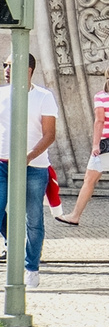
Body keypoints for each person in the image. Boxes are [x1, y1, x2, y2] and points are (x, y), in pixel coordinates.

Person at [59, 64, 109, 227]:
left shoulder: (101, 97)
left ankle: (75, 215)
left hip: (106, 144)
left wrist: (95, 144)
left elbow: (100, 121)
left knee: (89, 180)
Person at [0, 54, 57, 287]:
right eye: (4, 64)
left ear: (28, 69)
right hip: (2, 163)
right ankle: (13, 242)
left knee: (34, 219)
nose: (5, 68)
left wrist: (29, 156)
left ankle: (31, 267)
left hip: (34, 166)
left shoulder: (44, 97)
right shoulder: (1, 94)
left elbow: (49, 134)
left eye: (10, 65)